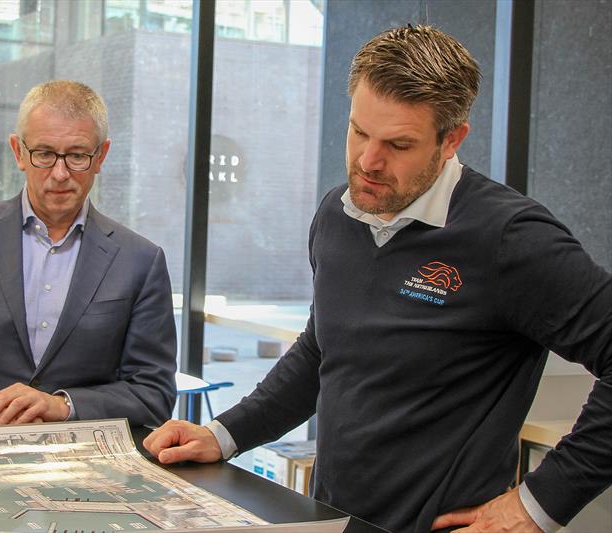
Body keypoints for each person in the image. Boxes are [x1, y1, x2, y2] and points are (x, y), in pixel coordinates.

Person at [144, 25, 611, 533]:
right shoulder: (337, 214)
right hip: (332, 519)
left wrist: (538, 505)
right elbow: (321, 350)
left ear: (451, 139)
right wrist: (224, 434)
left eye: (399, 144)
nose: (367, 162)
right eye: (359, 131)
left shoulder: (510, 239)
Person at [0, 80, 177, 430]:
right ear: (18, 152)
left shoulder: (140, 260)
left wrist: (62, 407)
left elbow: (153, 394)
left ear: (101, 156)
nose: (60, 173)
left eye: (78, 156)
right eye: (45, 153)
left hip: (83, 471)